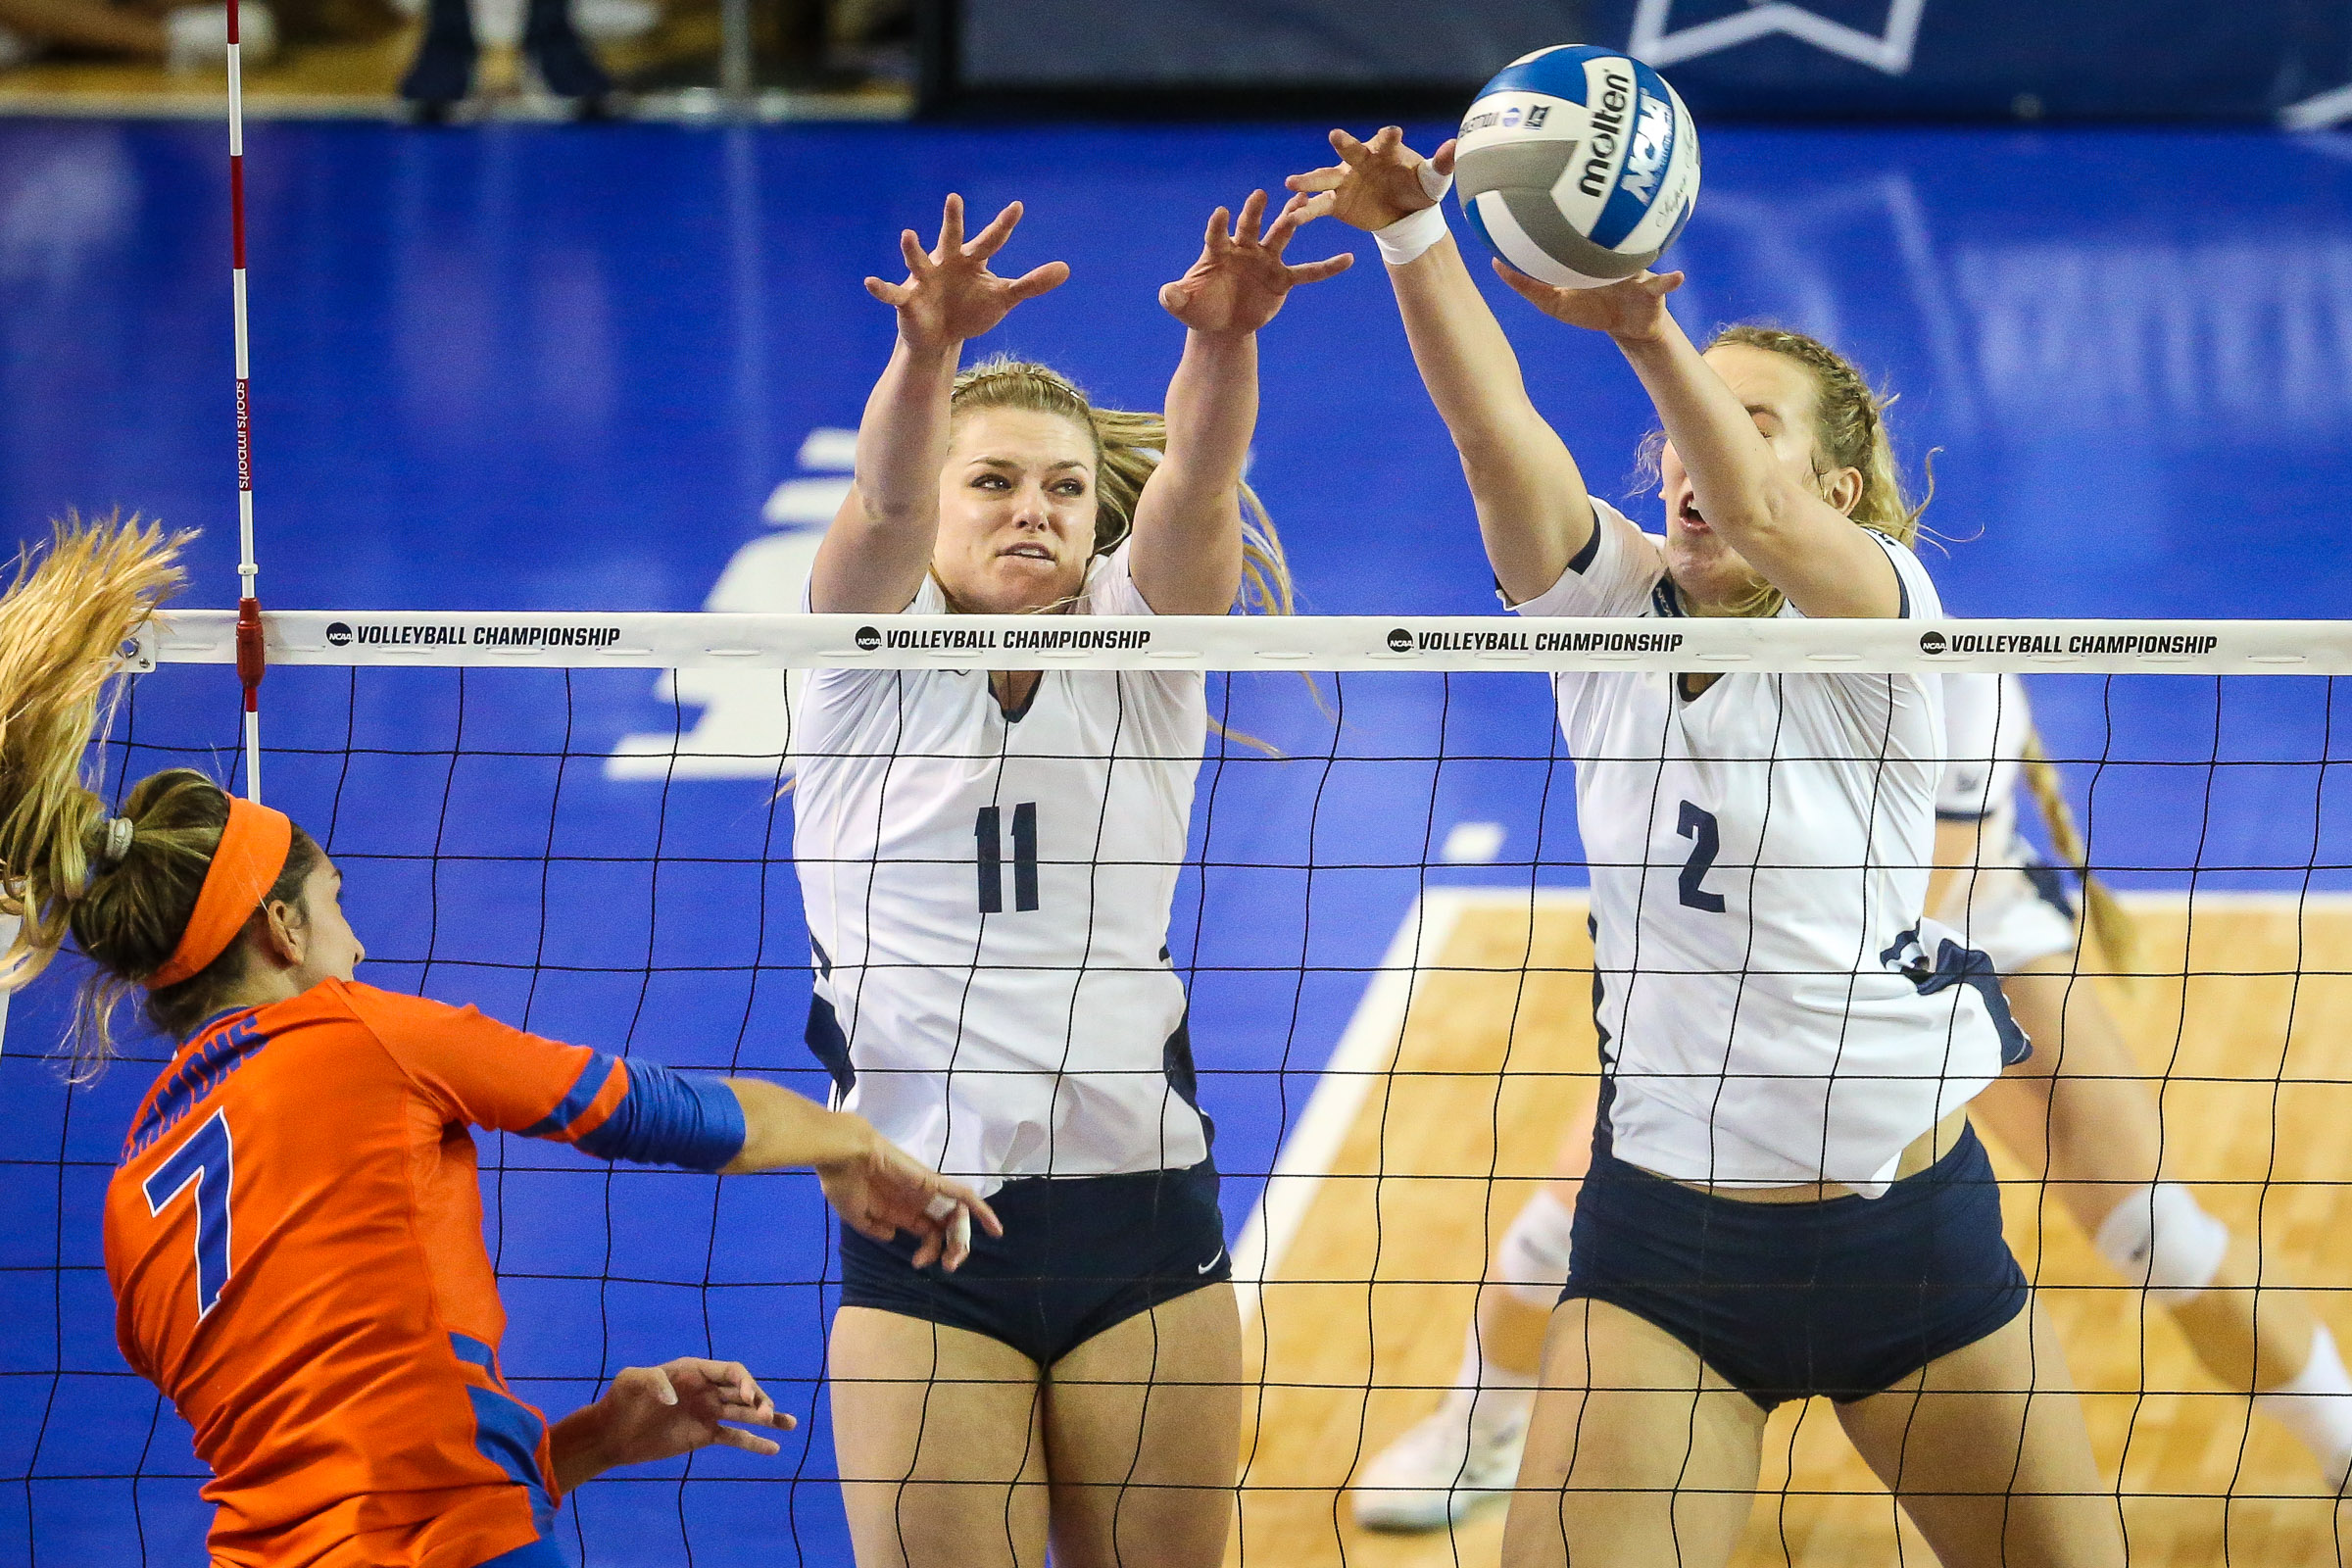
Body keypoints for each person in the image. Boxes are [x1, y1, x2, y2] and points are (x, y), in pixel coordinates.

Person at [1289, 127, 2124, 1568]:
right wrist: (1413, 237)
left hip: (1905, 1236)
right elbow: (1498, 439)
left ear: (1841, 495)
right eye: (1682, 431)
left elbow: (1760, 511)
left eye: (1748, 421)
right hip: (1666, 1255)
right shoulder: (1603, 611)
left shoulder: (1887, 625)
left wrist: (1646, 326)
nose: (1697, 454)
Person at [0, 517, 998, 1568]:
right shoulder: (355, 1032)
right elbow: (658, 1111)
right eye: (336, 905)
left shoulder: (130, 1203)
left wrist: (597, 1439)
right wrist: (850, 1143)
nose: (360, 938)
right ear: (279, 930)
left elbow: (340, 1468)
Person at [1350, 672, 2352, 1532]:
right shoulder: (1698, 633)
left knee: (2159, 1232)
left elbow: (1918, 887)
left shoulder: (1947, 661)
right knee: (1555, 1232)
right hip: (1753, 977)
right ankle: (1479, 1430)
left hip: (1950, 942)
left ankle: (2343, 1439)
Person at [794, 189, 1346, 1568]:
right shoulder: (860, 657)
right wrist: (924, 358)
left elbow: (1199, 489)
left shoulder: (1142, 646)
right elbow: (879, 499)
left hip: (1140, 1212)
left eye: (1062, 489)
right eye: (992, 483)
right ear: (940, 508)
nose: (1031, 510)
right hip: (925, 1221)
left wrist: (1222, 345)